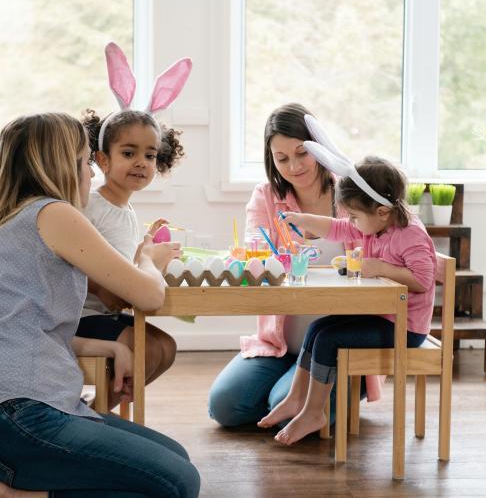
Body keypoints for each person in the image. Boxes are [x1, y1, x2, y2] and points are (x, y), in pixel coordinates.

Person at [0, 113, 200, 497]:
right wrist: (148, 260)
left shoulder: (16, 218)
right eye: (85, 162)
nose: (91, 175)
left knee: (177, 458)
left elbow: (22, 324)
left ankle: (31, 490)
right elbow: (149, 295)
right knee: (178, 482)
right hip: (24, 413)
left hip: (26, 408)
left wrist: (105, 346)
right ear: (60, 164)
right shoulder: (54, 213)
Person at [257, 155, 436, 445]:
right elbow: (336, 227)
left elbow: (423, 280)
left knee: (329, 340)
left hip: (406, 328)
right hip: (381, 316)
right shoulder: (376, 224)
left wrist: (379, 268)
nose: (350, 223)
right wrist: (302, 220)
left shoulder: (409, 234)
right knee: (318, 328)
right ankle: (295, 399)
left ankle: (314, 412)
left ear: (381, 210)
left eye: (354, 216)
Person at [208, 103, 362, 427]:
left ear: (318, 148)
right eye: (282, 159)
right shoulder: (265, 196)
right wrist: (252, 259)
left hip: (334, 348)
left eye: (301, 153)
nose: (294, 166)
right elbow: (255, 247)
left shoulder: (350, 191)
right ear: (271, 161)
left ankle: (330, 392)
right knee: (224, 406)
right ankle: (291, 394)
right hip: (279, 344)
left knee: (283, 406)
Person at [78, 108, 184, 409]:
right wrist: (105, 288)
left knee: (166, 347)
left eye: (150, 156)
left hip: (104, 313)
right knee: (148, 349)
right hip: (81, 317)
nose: (141, 162)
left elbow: (120, 266)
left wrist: (146, 248)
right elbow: (76, 264)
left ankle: (97, 409)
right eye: (128, 153)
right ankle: (94, 415)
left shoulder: (126, 211)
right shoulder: (92, 205)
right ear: (103, 160)